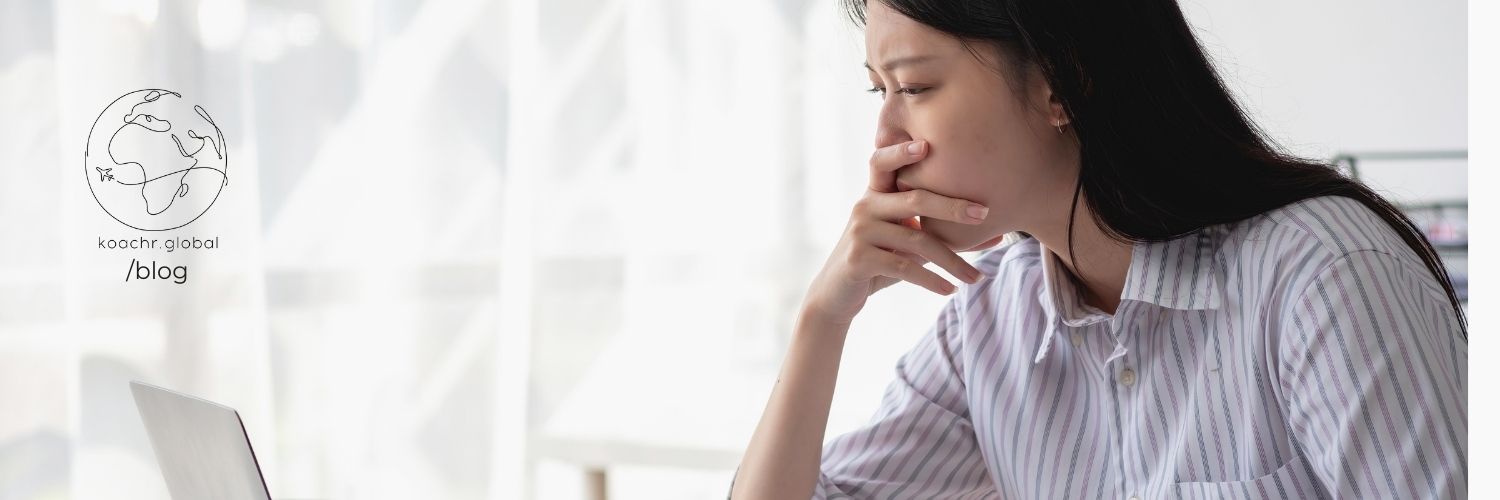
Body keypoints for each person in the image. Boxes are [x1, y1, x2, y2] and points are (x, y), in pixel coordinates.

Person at [727, 0, 1468, 498]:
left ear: (1063, 82)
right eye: (876, 91)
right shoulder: (987, 323)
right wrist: (822, 319)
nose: (886, 143)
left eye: (914, 86)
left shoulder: (1325, 278)